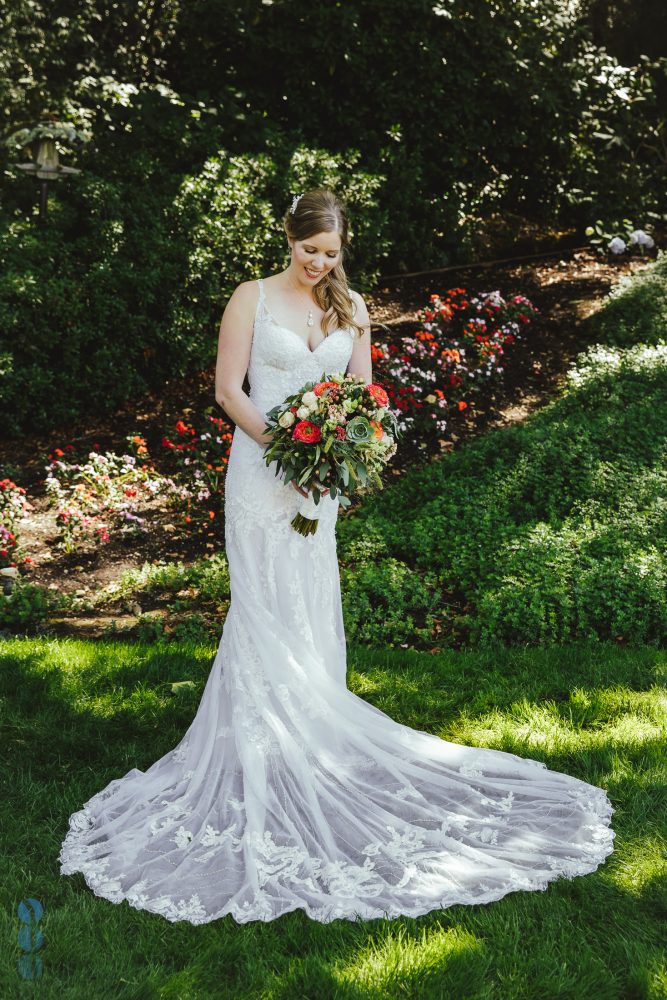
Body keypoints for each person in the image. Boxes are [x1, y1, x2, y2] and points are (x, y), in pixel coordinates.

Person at [59, 187, 615, 925]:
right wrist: (284, 448)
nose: (319, 264)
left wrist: (337, 453)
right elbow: (229, 391)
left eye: (331, 253)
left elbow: (363, 398)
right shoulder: (250, 298)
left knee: (308, 597)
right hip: (262, 473)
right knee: (261, 604)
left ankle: (312, 744)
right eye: (308, 250)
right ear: (286, 238)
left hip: (318, 485)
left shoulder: (351, 311)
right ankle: (259, 753)